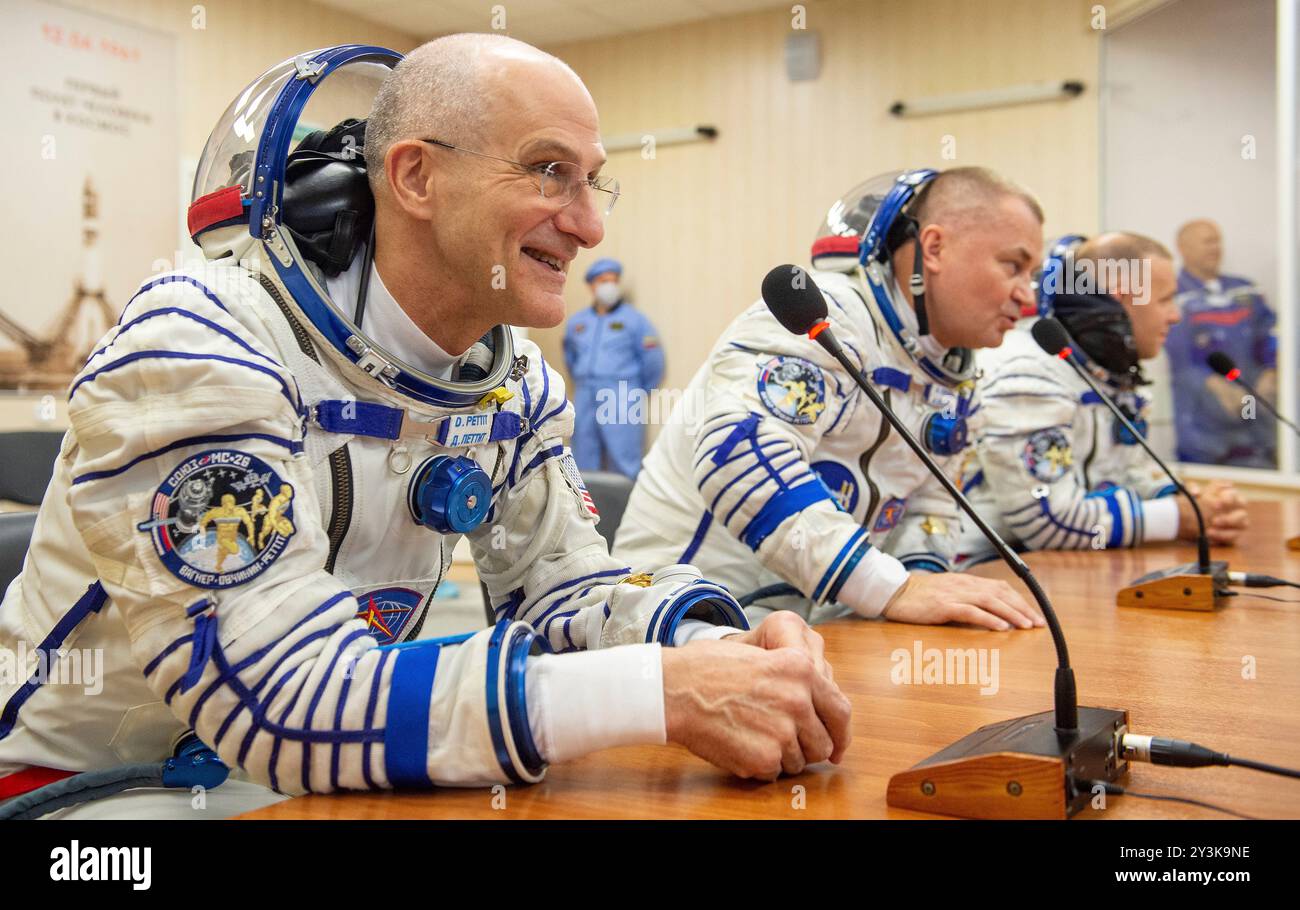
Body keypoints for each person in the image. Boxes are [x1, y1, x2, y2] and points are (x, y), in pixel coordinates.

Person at [0, 36, 849, 819]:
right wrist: (658, 692)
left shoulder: (513, 384)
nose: (591, 226)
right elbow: (285, 700)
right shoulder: (196, 344)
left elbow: (564, 589)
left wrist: (722, 652)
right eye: (551, 172)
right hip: (76, 794)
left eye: (594, 182)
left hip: (299, 777)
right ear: (412, 178)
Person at [615, 168, 1046, 631]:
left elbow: (931, 508)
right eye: (1013, 266)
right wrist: (891, 589)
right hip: (683, 614)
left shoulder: (955, 377)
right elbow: (738, 458)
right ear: (935, 248)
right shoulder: (825, 320)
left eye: (1034, 275)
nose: (1028, 297)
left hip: (823, 625)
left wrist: (923, 583)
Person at [959, 232, 1248, 562]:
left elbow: (1124, 475)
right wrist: (1176, 517)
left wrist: (1194, 504)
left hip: (1058, 569)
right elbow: (1046, 519)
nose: (1176, 316)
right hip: (982, 573)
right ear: (1124, 297)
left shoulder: (1110, 372)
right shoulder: (1028, 372)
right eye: (1166, 300)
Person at [1166, 219, 1278, 468]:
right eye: (1207, 241)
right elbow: (1180, 357)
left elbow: (1270, 331)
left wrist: (1271, 369)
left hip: (1251, 409)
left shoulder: (1245, 290)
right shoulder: (1174, 295)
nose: (1215, 248)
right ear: (1183, 248)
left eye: (1217, 240)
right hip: (1203, 429)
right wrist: (1215, 385)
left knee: (1258, 470)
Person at [563, 258, 664, 478]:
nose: (609, 285)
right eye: (603, 280)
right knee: (582, 457)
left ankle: (626, 510)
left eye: (613, 280)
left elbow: (653, 360)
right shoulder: (577, 322)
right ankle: (583, 509)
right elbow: (569, 356)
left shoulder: (634, 320)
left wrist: (635, 391)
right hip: (584, 392)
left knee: (624, 457)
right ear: (591, 285)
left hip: (621, 393)